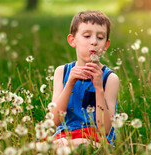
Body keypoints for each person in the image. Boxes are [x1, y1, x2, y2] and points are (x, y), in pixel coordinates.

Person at [51, 10, 119, 147]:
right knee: (57, 145)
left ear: (106, 45)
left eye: (100, 38)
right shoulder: (62, 72)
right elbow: (53, 120)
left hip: (96, 138)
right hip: (65, 135)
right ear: (72, 40)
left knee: (85, 145)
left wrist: (99, 88)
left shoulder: (110, 78)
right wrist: (69, 83)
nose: (94, 42)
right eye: (87, 36)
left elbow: (104, 129)